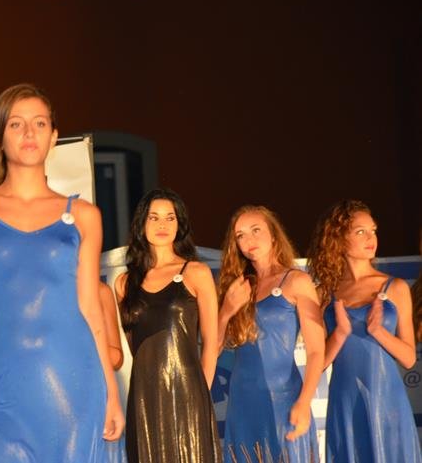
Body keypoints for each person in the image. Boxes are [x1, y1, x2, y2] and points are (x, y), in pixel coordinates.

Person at [0, 83, 124, 462]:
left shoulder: (85, 216)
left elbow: (91, 308)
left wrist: (111, 392)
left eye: (39, 123)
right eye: (16, 124)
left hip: (73, 386)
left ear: (53, 137)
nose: (29, 133)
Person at [307, 199, 421, 462]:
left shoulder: (395, 287)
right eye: (361, 231)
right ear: (338, 238)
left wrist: (378, 331)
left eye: (373, 230)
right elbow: (318, 362)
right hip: (345, 403)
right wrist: (340, 333)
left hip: (388, 403)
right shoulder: (324, 293)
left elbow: (408, 358)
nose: (371, 238)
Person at [116, 188, 221, 463]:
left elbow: (211, 343)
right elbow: (132, 345)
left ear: (179, 224)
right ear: (142, 224)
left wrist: (201, 395)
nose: (162, 224)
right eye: (154, 217)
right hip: (144, 395)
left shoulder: (196, 272)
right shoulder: (124, 283)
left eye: (169, 218)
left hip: (188, 391)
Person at [218, 205, 323, 463]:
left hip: (284, 399)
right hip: (242, 402)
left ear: (274, 235)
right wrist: (226, 311)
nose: (249, 240)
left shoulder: (296, 281)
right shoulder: (238, 286)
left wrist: (304, 402)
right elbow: (213, 349)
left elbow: (316, 350)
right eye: (240, 235)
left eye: (256, 230)